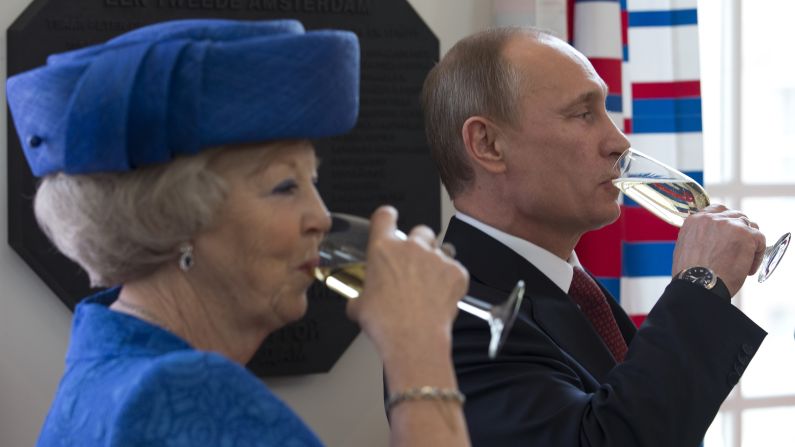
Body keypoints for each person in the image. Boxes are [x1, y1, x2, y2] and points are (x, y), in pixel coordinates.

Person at [6, 19, 471, 447]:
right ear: (175, 220)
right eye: (284, 186)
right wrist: (419, 350)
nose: (322, 217)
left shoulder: (105, 368)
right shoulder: (183, 393)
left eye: (313, 182)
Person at [420, 26, 768, 446]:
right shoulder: (455, 315)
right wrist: (699, 286)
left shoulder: (572, 288)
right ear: (488, 143)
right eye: (583, 114)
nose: (619, 141)